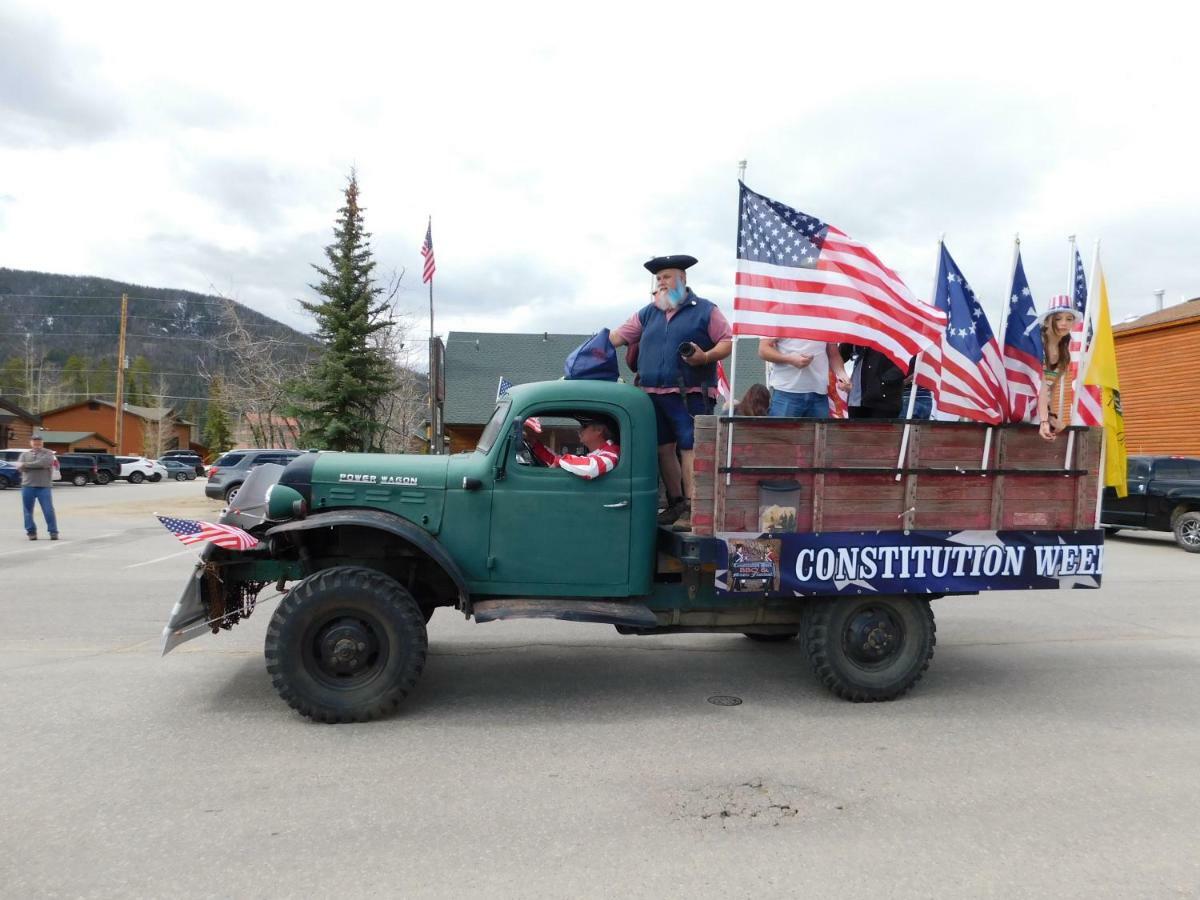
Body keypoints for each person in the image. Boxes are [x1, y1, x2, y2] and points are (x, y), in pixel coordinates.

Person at [610, 255, 732, 528]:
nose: (661, 282)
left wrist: (705, 357)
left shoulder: (705, 310)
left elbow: (727, 341)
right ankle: (676, 503)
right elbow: (618, 336)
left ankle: (693, 507)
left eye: (667, 276)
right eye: (659, 278)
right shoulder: (648, 312)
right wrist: (594, 349)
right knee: (663, 448)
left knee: (690, 446)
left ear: (683, 279)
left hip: (689, 393)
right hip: (651, 393)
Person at [758, 338, 849, 418]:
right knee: (782, 436)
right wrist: (789, 359)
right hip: (787, 392)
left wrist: (842, 375)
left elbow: (834, 355)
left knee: (820, 436)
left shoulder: (826, 321)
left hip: (819, 393)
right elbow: (763, 350)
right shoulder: (781, 318)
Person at [1035, 295, 1080, 441]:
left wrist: (1051, 415)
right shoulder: (1037, 343)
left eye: (1069, 319)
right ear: (1048, 321)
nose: (1064, 323)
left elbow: (1051, 387)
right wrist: (1044, 420)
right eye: (1058, 318)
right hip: (1023, 403)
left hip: (1040, 406)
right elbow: (1040, 384)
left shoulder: (1064, 352)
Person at [524, 415, 619, 480]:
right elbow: (557, 461)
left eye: (584, 426)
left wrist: (559, 461)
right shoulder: (598, 453)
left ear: (599, 430)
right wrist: (535, 444)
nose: (580, 430)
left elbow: (593, 467)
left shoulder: (611, 451)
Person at [838, 343, 905, 419]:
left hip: (884, 400)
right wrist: (841, 377)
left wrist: (882, 381)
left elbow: (909, 362)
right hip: (856, 398)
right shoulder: (860, 334)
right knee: (855, 430)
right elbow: (839, 355)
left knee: (879, 430)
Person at [18, 434, 59, 540]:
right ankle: (31, 532)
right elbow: (19, 467)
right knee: (27, 511)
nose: (37, 444)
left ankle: (53, 531)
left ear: (42, 443)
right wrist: (27, 466)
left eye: (39, 442)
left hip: (43, 486)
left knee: (48, 509)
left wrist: (26, 465)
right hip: (27, 486)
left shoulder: (48, 453)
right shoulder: (24, 454)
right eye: (35, 442)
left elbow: (43, 463)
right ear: (31, 443)